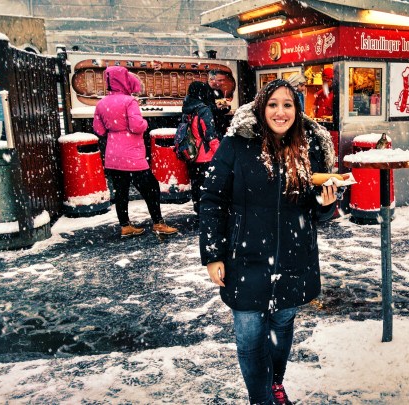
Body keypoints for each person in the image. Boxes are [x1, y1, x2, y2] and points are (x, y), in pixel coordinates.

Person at [199, 79, 338, 405]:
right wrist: (212, 254)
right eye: (273, 104)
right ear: (261, 107)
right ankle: (260, 399)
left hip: (294, 256)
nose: (280, 112)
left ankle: (274, 383)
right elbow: (211, 200)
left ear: (297, 110)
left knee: (282, 325)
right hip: (246, 259)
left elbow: (315, 207)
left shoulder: (309, 146)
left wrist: (327, 202)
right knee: (249, 338)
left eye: (288, 104)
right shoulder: (236, 145)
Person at [93, 66, 178, 238]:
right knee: (151, 188)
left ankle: (125, 226)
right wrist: (145, 123)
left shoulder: (101, 103)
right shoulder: (129, 101)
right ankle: (158, 223)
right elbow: (137, 126)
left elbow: (99, 130)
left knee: (120, 190)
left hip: (113, 154)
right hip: (132, 154)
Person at [181, 81, 219, 214]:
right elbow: (210, 135)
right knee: (209, 186)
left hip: (191, 154)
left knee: (196, 185)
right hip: (205, 155)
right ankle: (208, 213)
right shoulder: (204, 110)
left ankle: (198, 211)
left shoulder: (187, 109)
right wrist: (220, 154)